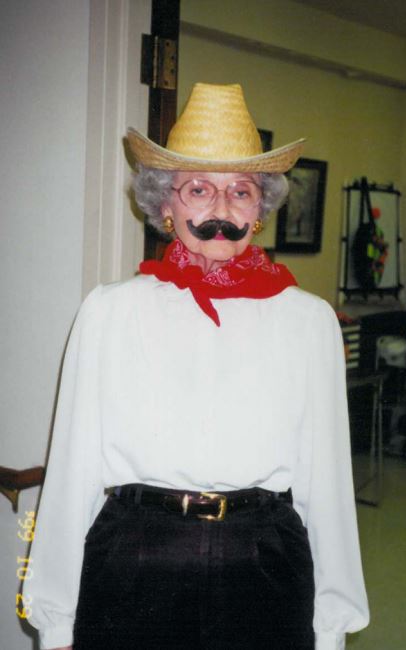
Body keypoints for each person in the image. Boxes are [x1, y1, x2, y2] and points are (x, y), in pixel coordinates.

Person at [23, 82, 369, 650]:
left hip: (265, 562)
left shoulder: (309, 322)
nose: (221, 211)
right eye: (199, 190)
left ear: (261, 208)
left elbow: (326, 479)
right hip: (136, 558)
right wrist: (56, 619)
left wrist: (330, 626)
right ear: (165, 203)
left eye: (241, 191)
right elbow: (73, 466)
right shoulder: (110, 311)